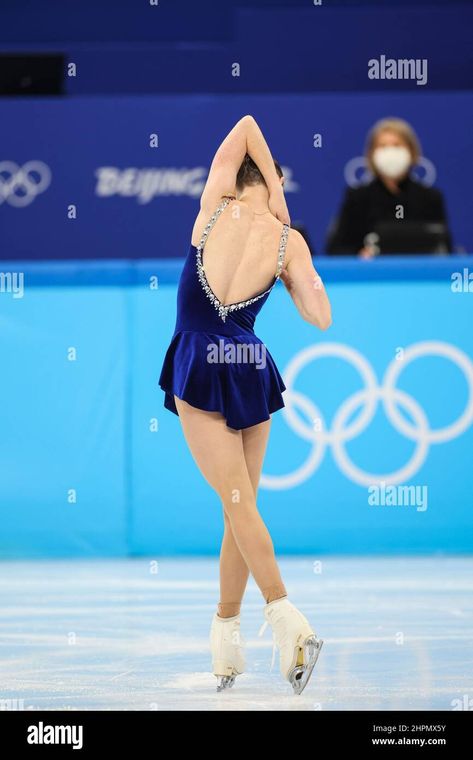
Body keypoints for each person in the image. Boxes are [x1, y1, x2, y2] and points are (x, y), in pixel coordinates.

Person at [159, 115, 332, 694]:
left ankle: (287, 619)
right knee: (242, 506)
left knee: (238, 506)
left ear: (238, 178)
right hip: (249, 367)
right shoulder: (290, 241)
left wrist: (273, 194)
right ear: (275, 182)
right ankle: (226, 638)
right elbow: (321, 316)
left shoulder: (212, 207)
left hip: (201, 364)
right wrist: (290, 261)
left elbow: (246, 124)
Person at [326, 117, 452, 256]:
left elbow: (444, 249)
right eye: (382, 146)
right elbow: (337, 249)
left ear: (411, 151)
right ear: (372, 154)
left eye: (397, 145)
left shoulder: (430, 198)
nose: (390, 152)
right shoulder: (357, 198)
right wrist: (360, 255)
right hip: (372, 275)